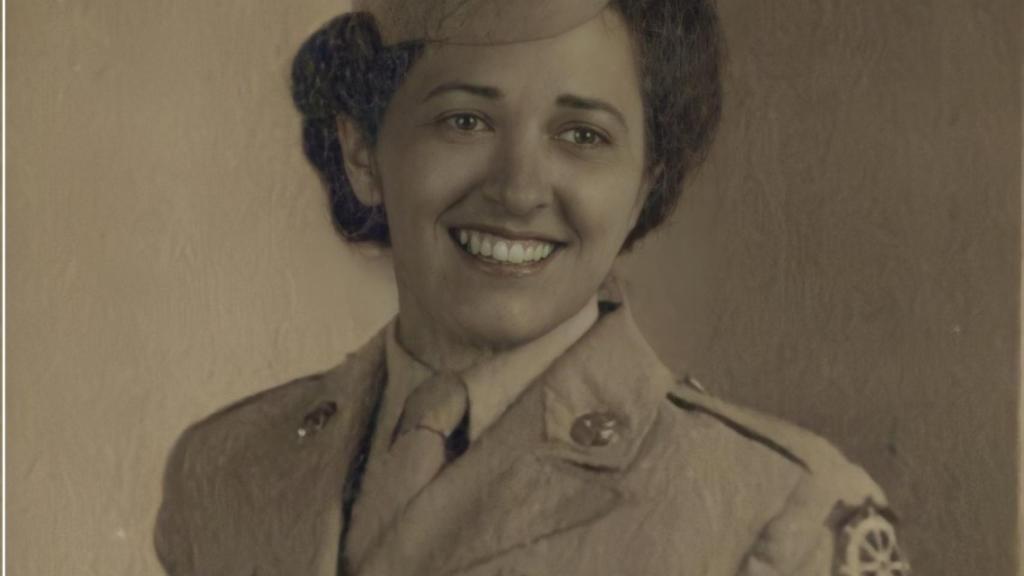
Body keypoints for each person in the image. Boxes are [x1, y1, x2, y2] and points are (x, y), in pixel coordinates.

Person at [154, 1, 911, 575]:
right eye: (464, 120)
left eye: (582, 136)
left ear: (645, 183)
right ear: (363, 154)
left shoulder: (781, 511)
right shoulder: (226, 467)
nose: (519, 190)